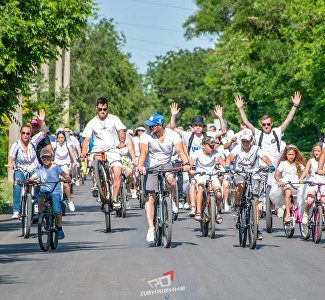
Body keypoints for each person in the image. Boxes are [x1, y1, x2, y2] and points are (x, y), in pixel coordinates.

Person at [137, 113, 191, 243]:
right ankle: (151, 228)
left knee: (171, 180)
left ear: (160, 125)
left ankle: (171, 200)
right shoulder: (145, 136)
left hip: (166, 164)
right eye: (149, 126)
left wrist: (186, 163)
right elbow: (143, 152)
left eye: (152, 126)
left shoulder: (173, 135)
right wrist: (140, 166)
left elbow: (180, 151)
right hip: (150, 166)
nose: (149, 128)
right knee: (150, 197)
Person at [170, 102, 226, 217]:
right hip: (193, 164)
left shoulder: (208, 135)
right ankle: (194, 207)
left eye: (200, 125)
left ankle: (213, 206)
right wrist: (174, 115)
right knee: (193, 183)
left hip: (207, 165)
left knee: (212, 187)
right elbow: (172, 128)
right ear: (192, 127)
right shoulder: (188, 135)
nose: (198, 127)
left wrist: (220, 117)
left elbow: (223, 131)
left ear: (203, 127)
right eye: (196, 125)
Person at [225, 128, 275, 240]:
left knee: (255, 202)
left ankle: (256, 228)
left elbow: (265, 158)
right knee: (241, 185)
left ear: (251, 140)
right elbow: (229, 158)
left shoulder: (256, 148)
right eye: (243, 141)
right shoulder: (237, 148)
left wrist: (270, 165)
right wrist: (227, 166)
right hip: (240, 172)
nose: (245, 143)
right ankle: (237, 205)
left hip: (254, 173)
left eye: (247, 141)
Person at [81, 97, 126, 209]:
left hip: (112, 149)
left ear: (107, 108)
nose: (102, 111)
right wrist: (83, 152)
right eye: (100, 109)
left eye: (104, 109)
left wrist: (121, 142)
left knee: (118, 173)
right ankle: (97, 185)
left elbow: (121, 131)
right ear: (96, 108)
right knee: (96, 160)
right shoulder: (92, 122)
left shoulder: (114, 119)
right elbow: (86, 139)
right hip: (98, 149)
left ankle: (115, 199)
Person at [8, 109, 47, 219]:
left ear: (30, 134)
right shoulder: (16, 144)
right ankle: (16, 211)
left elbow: (43, 132)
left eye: (28, 133)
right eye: (23, 133)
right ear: (20, 134)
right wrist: (10, 163)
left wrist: (42, 121)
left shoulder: (33, 141)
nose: (25, 135)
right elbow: (11, 155)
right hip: (21, 169)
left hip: (34, 168)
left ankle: (35, 205)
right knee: (17, 183)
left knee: (38, 183)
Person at [29, 147, 71, 240]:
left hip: (55, 191)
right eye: (43, 158)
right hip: (45, 190)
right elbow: (33, 177)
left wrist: (67, 178)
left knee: (56, 210)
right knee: (40, 196)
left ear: (52, 157)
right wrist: (29, 180)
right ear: (41, 159)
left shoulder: (55, 167)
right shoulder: (41, 169)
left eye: (48, 157)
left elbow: (64, 174)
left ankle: (59, 229)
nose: (46, 159)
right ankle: (40, 214)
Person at [189, 136, 225, 223]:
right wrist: (191, 170)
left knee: (219, 194)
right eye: (210, 146)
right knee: (201, 187)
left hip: (212, 175)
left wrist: (226, 169)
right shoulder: (197, 153)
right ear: (204, 145)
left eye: (213, 146)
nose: (212, 149)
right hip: (200, 174)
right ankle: (198, 211)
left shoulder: (216, 153)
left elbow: (222, 162)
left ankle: (216, 211)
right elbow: (191, 164)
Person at [273, 145, 305, 223]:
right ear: (286, 155)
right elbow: (276, 175)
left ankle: (301, 213)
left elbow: (306, 173)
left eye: (293, 154)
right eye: (289, 154)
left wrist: (303, 179)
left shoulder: (298, 164)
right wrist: (280, 181)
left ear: (295, 155)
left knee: (303, 194)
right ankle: (287, 214)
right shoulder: (283, 163)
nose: (291, 156)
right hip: (286, 182)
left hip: (296, 182)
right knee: (288, 192)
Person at [51, 130, 79, 211]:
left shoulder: (68, 144)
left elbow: (72, 153)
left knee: (66, 183)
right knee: (53, 182)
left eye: (62, 137)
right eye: (59, 138)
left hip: (65, 165)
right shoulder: (54, 144)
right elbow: (51, 153)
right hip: (56, 165)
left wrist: (75, 161)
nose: (60, 139)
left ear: (64, 138)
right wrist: (50, 161)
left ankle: (70, 201)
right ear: (57, 138)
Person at [300, 142, 325, 224]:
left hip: (323, 182)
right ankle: (306, 213)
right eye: (315, 151)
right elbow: (306, 170)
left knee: (323, 200)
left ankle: (322, 217)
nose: (316, 152)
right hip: (313, 182)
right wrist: (301, 178)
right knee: (310, 200)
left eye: (318, 151)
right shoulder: (311, 161)